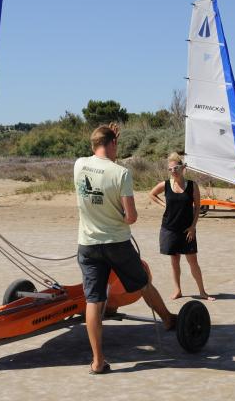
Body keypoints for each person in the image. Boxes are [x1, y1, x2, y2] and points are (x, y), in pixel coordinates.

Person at [74, 123, 176, 375]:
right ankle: (167, 318)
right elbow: (131, 217)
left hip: (87, 244)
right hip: (116, 243)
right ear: (112, 143)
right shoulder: (121, 173)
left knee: (94, 300)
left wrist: (108, 136)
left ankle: (98, 361)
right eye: (116, 143)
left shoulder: (78, 165)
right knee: (142, 282)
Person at [149, 153, 215, 301]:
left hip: (187, 230)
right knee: (174, 261)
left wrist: (193, 227)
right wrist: (163, 204)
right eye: (170, 169)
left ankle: (202, 292)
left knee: (193, 262)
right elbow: (152, 194)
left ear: (183, 168)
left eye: (176, 168)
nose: (173, 171)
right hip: (169, 229)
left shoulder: (192, 186)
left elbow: (197, 207)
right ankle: (177, 290)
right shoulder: (165, 185)